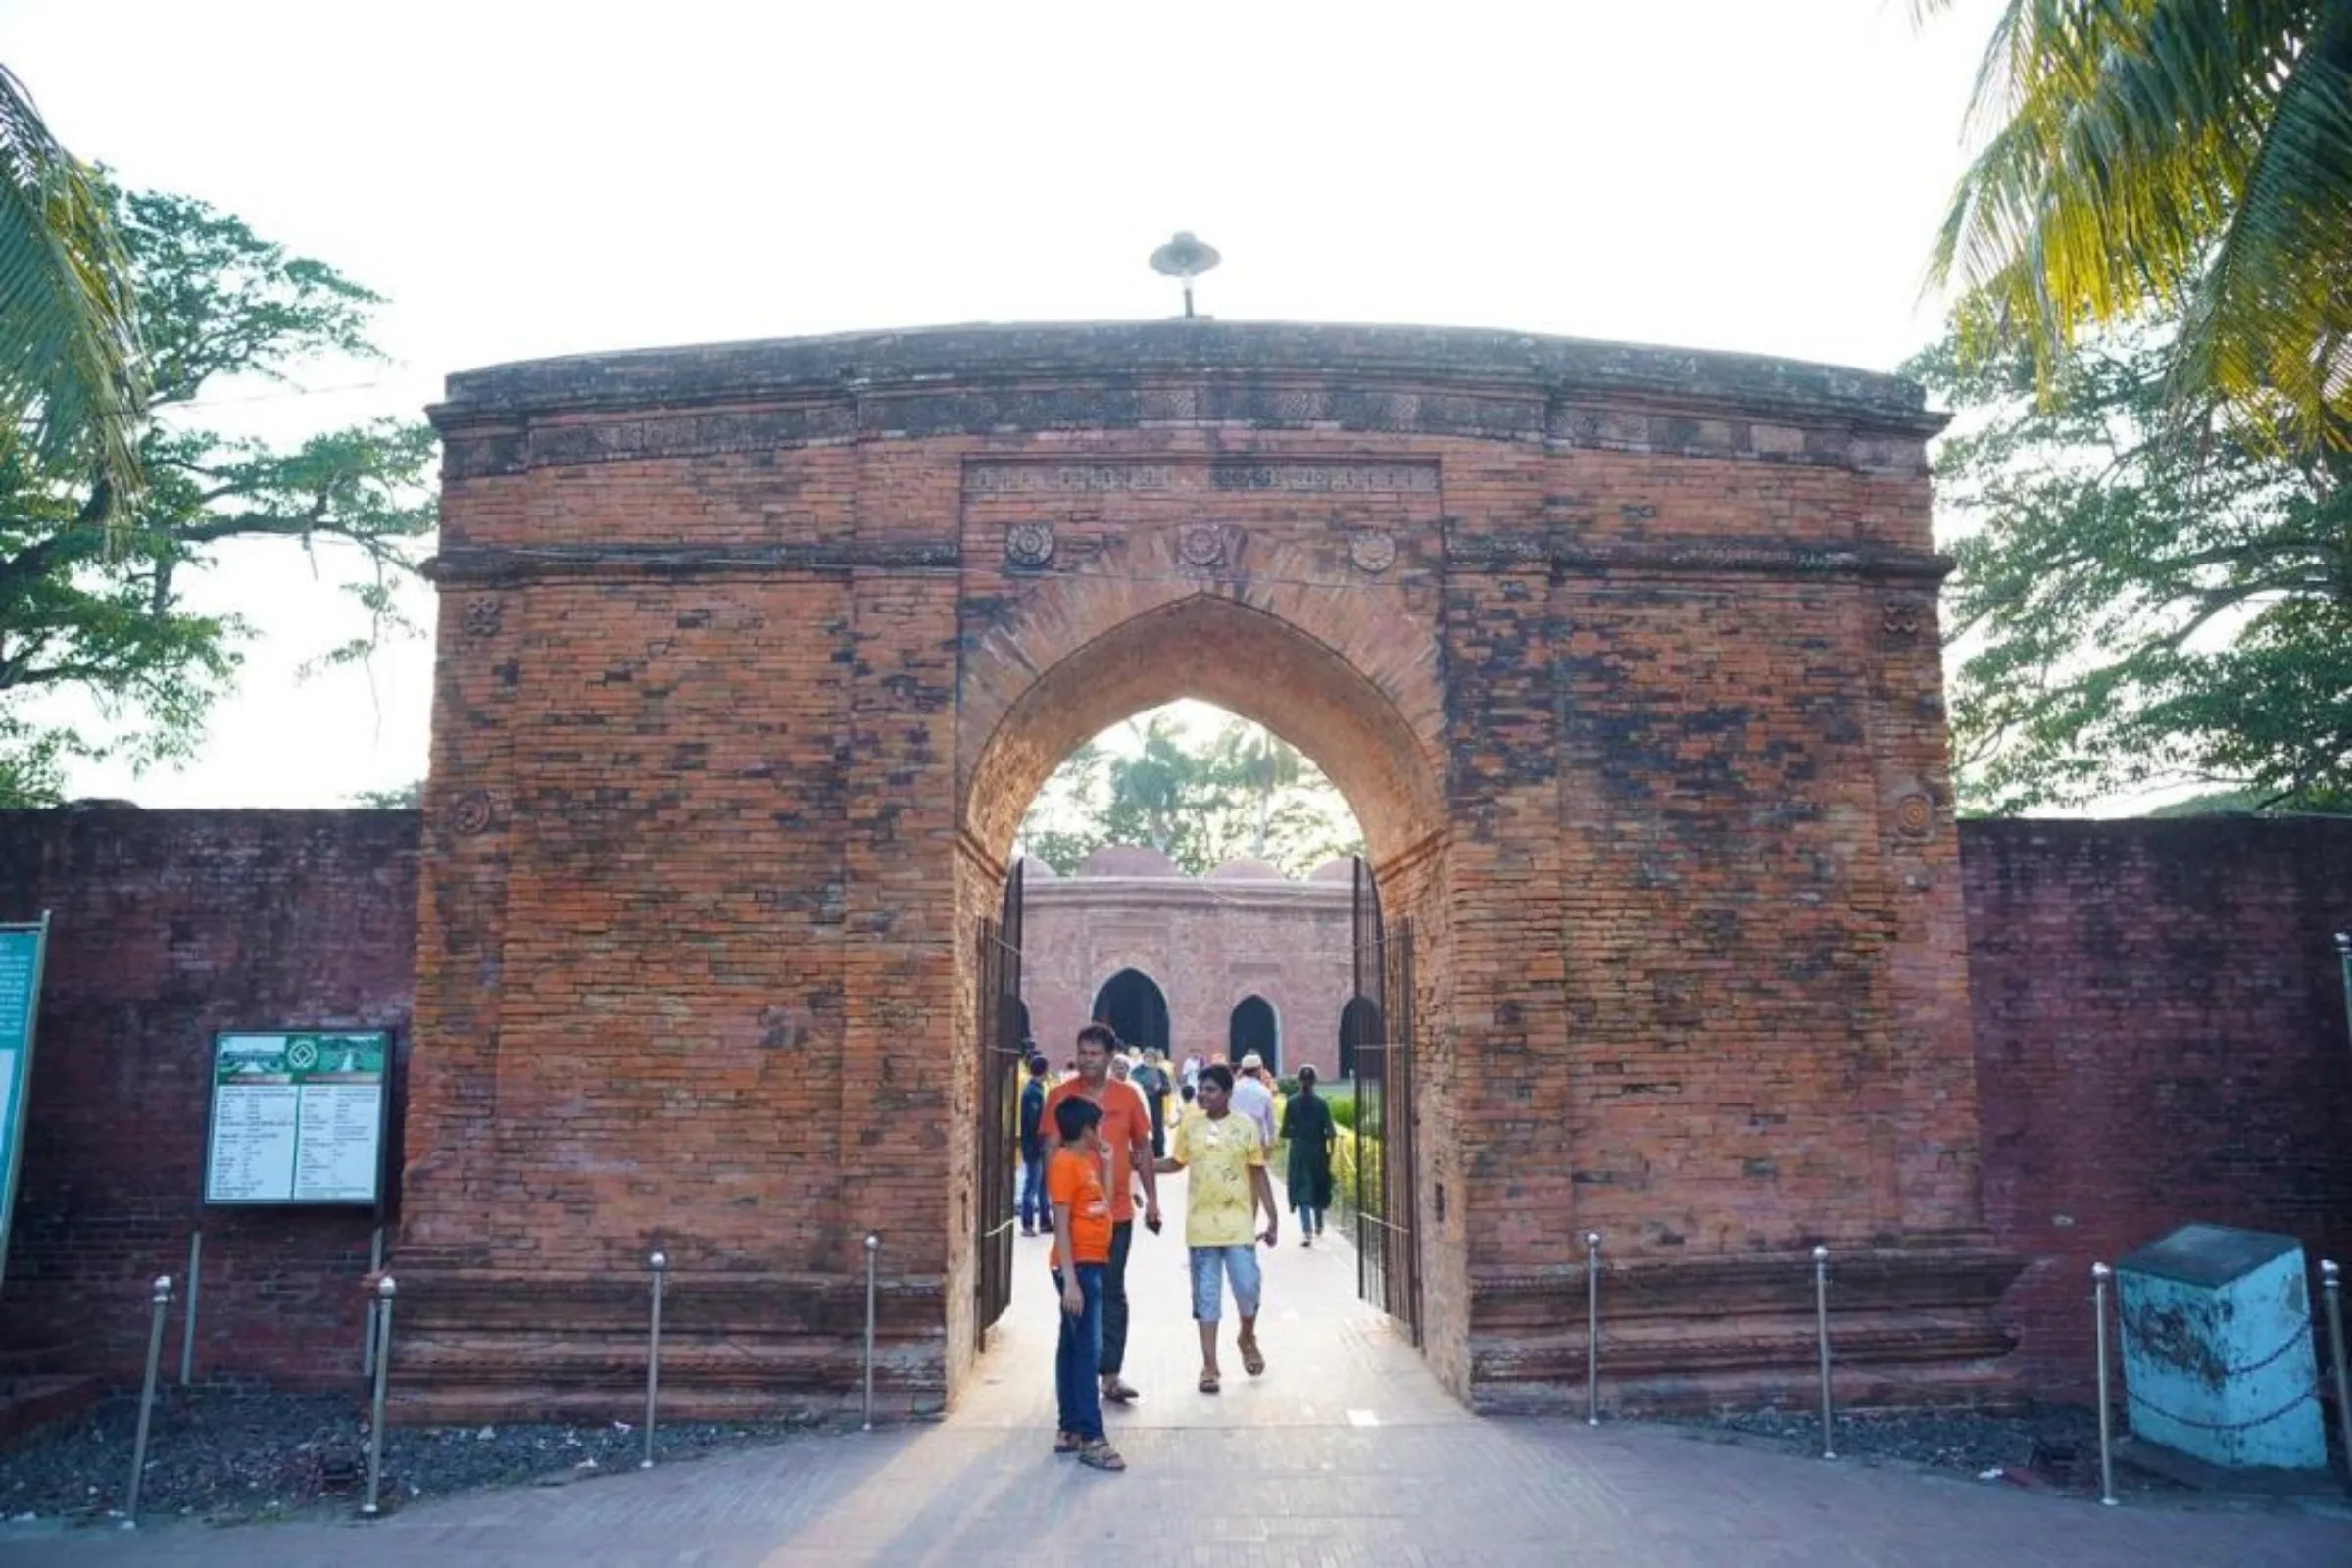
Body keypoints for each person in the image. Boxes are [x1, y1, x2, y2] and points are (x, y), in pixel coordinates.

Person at [1043, 1023, 1160, 1407]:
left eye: (1095, 1054)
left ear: (1111, 1057)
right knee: (1077, 1296)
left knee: (1111, 1289)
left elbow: (1142, 1149)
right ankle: (1078, 1378)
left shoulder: (1127, 1097)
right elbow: (1050, 1149)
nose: (1087, 1060)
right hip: (1076, 1213)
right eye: (1083, 1053)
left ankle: (1109, 1374)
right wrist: (1052, 1197)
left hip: (1116, 1210)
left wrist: (1153, 1200)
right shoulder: (1061, 1096)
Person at [1156, 1063, 1278, 1393]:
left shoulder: (1245, 1127)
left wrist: (1272, 1217)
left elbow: (1258, 1172)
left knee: (1248, 1288)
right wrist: (1142, 1164)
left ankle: (1246, 1335)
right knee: (1206, 1298)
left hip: (1239, 1223)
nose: (1204, 1095)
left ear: (1227, 1093)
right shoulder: (1190, 1127)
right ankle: (1209, 1366)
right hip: (1200, 1226)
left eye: (1211, 1089)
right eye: (1201, 1089)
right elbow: (1176, 1162)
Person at [1046, 1096, 1125, 1472]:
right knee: (1087, 1351)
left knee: (1074, 1346)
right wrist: (1071, 1281)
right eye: (1097, 1127)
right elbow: (1060, 1222)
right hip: (1078, 1268)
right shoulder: (1064, 1165)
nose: (1101, 1134)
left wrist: (1107, 1164)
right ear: (1086, 1129)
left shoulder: (1084, 1163)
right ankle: (1092, 1437)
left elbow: (1103, 1205)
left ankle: (1072, 1425)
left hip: (1091, 1263)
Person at [1278, 1064, 1337, 1247]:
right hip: (1317, 1151)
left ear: (1298, 1081)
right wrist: (1331, 1153)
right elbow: (1330, 1132)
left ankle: (1307, 1231)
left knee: (1302, 1190)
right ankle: (1319, 1224)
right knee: (1317, 1186)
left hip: (1299, 1152)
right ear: (1315, 1081)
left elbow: (1285, 1131)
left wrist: (1296, 1132)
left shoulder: (1292, 1102)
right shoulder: (1321, 1103)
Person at [1017, 1052, 1052, 1237]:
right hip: (1035, 1146)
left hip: (1040, 1145)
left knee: (1043, 1185)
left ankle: (1045, 1220)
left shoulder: (1035, 1090)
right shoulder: (1033, 1093)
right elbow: (1034, 1121)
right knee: (1032, 1184)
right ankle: (1028, 1223)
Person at [1231, 1052, 1278, 1151]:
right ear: (1259, 1070)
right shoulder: (1264, 1092)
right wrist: (1271, 1141)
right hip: (1256, 1140)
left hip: (1235, 1138)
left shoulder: (1232, 1089)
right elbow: (1270, 1121)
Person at [1133, 1050, 1173, 1158]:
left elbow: (1168, 1088)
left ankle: (1158, 1152)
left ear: (1155, 1059)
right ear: (1143, 1058)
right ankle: (1142, 1153)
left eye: (1152, 1057)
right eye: (1147, 1057)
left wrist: (1160, 1088)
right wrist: (1145, 1087)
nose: (1149, 1060)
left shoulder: (1160, 1072)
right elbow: (1133, 1085)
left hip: (1156, 1104)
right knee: (1141, 1127)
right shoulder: (1137, 1071)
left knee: (1157, 1128)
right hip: (1140, 1103)